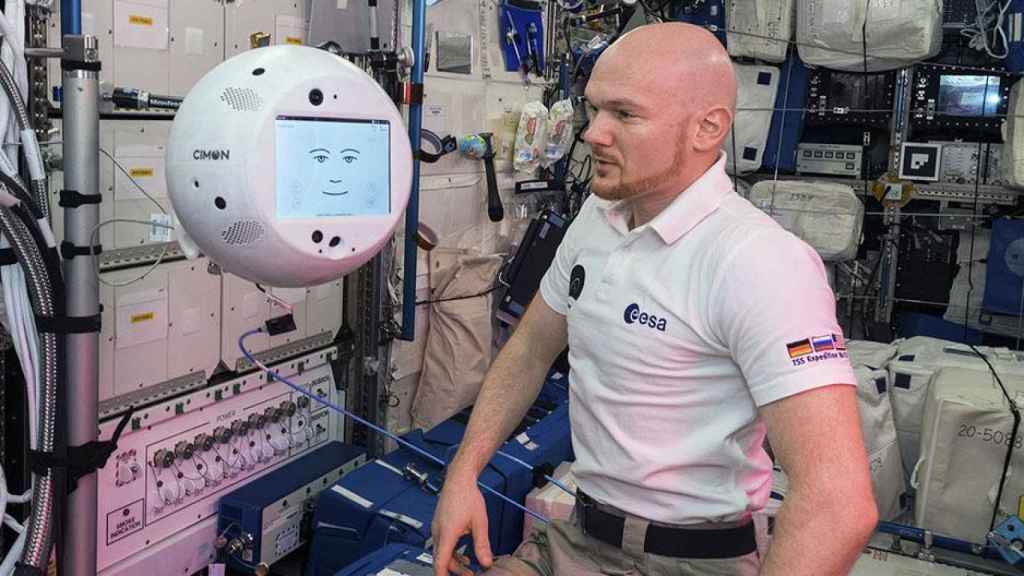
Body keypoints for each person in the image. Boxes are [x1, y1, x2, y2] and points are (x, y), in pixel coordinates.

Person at [431, 22, 877, 576]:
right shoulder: (597, 218)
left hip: (687, 561)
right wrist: (463, 475)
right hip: (576, 537)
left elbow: (839, 505)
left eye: (625, 114)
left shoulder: (761, 263)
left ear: (707, 128)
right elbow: (530, 349)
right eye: (593, 110)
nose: (593, 133)